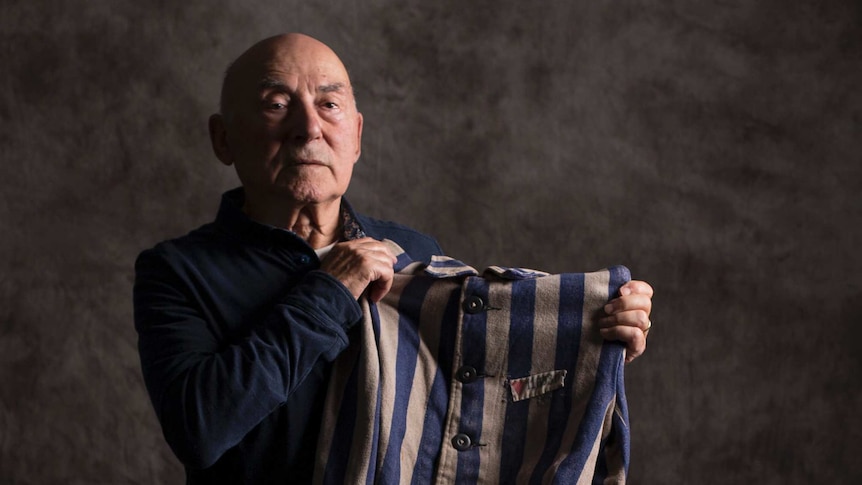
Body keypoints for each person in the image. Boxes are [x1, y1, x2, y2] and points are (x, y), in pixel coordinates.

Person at [133, 33, 654, 484]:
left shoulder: (413, 252)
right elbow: (200, 429)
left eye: (329, 105)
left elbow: (475, 392)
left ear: (355, 136)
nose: (308, 127)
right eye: (276, 103)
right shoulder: (178, 271)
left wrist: (591, 343)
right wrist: (332, 290)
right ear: (223, 138)